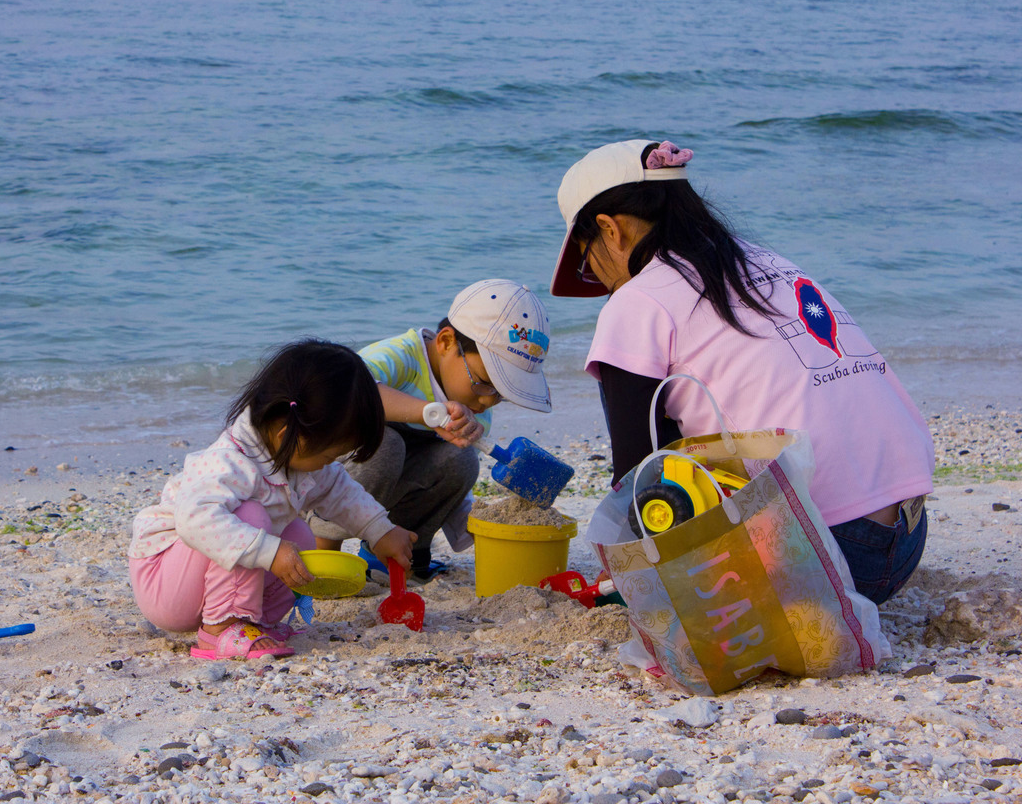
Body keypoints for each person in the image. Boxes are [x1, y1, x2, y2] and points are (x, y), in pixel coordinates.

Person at [549, 138, 933, 604]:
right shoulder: (765, 260)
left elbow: (638, 478)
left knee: (639, 395)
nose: (597, 276)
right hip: (906, 542)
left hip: (826, 555)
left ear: (611, 229)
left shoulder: (639, 300)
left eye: (586, 258)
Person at [127, 338, 416, 660]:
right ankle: (222, 630)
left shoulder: (298, 459)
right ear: (286, 433)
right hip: (167, 585)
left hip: (206, 587)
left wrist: (381, 531)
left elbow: (341, 492)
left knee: (298, 536)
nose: (330, 463)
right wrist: (268, 550)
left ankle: (253, 621)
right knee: (251, 517)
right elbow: (194, 520)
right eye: (329, 454)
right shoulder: (229, 462)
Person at [307, 279, 554, 581]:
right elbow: (346, 389)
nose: (489, 400)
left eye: (503, 393)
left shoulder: (477, 409)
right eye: (484, 381)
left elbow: (446, 476)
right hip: (322, 479)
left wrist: (480, 526)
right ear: (446, 343)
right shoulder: (403, 357)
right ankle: (322, 547)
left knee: (460, 459)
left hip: (389, 491)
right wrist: (426, 413)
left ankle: (395, 553)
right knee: (387, 446)